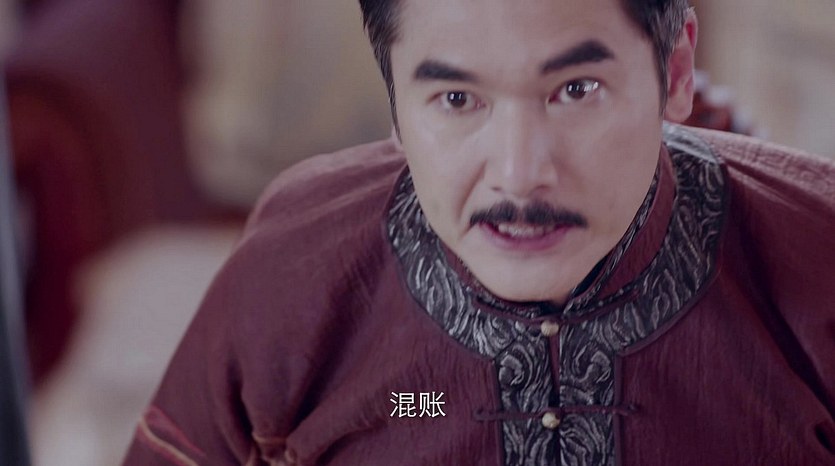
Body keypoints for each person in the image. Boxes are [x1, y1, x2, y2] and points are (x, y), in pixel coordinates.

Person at [122, 0, 835, 464]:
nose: (519, 177)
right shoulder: (296, 271)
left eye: (575, 90)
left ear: (674, 72)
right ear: (395, 102)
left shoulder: (815, 255)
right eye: (457, 98)